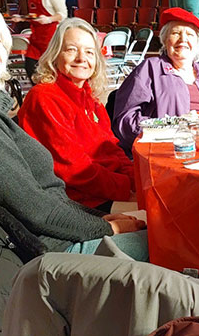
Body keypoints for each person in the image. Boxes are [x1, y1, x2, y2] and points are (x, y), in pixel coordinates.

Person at [0, 0, 147, 255]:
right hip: (43, 248)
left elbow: (43, 198)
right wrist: (107, 226)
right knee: (164, 237)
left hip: (60, 224)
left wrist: (100, 217)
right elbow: (37, 208)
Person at [17, 17, 134, 213]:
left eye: (89, 52)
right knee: (160, 215)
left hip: (104, 189)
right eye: (71, 50)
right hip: (74, 201)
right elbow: (73, 169)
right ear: (55, 55)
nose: (81, 58)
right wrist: (126, 189)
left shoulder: (91, 98)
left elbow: (113, 150)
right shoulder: (44, 97)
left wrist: (136, 181)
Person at [112, 7, 199, 150]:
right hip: (166, 149)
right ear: (165, 40)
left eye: (190, 34)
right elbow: (125, 119)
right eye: (175, 33)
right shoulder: (150, 69)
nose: (183, 39)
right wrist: (167, 131)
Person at [13, 0, 66, 79]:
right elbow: (33, 16)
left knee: (51, 70)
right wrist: (21, 18)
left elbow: (63, 14)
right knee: (30, 67)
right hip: (35, 39)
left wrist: (48, 19)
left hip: (50, 38)